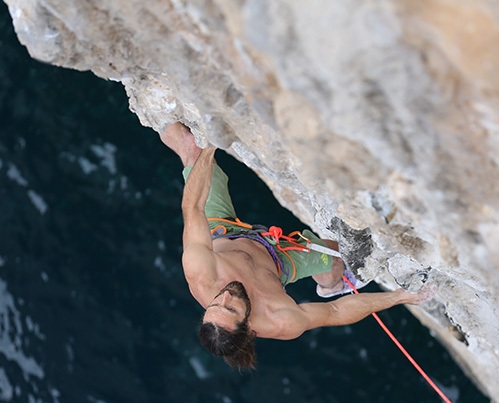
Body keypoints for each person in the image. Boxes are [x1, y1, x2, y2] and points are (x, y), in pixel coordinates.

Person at [161, 122, 434, 370]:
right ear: (248, 326)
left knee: (188, 146)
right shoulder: (281, 320)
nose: (225, 297)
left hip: (224, 232)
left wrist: (208, 145)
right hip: (278, 261)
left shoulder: (200, 273)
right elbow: (336, 312)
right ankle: (329, 285)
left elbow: (193, 206)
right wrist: (399, 297)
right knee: (338, 256)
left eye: (215, 304)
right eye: (231, 308)